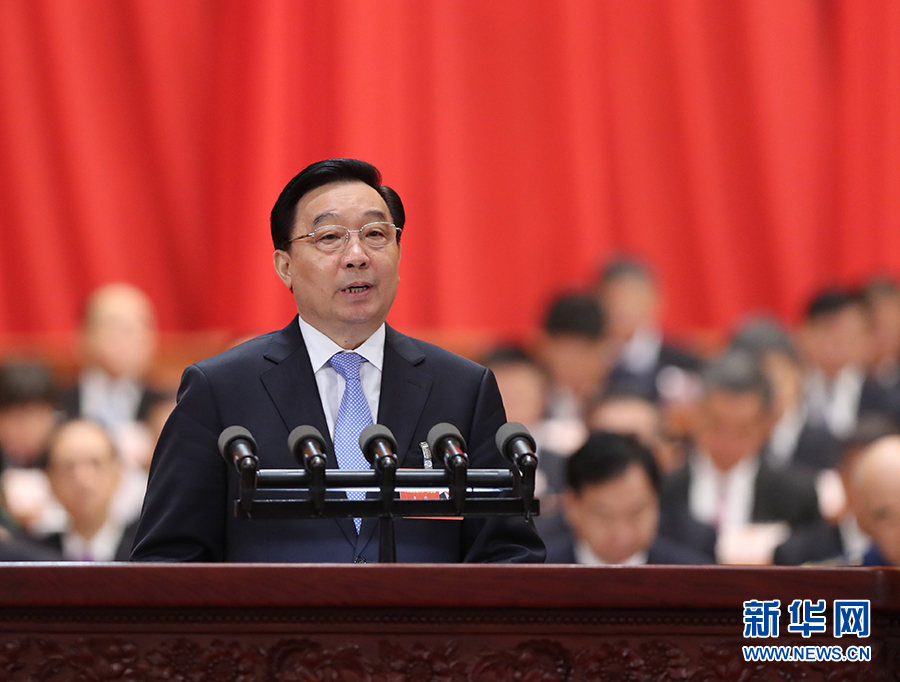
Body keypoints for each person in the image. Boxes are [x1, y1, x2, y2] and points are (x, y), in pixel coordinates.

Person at [132, 158, 545, 563]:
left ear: (399, 254)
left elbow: (507, 554)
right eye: (329, 237)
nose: (357, 255)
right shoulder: (221, 389)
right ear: (285, 267)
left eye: (376, 234)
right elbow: (168, 558)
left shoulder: (463, 388)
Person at [659, 351, 821, 563]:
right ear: (696, 415)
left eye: (743, 430)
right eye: (716, 426)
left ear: (766, 425)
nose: (727, 441)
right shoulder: (664, 491)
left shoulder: (797, 496)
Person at [545, 431, 709, 564]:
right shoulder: (539, 574)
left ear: (656, 501)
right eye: (604, 516)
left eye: (636, 514)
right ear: (571, 506)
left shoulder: (693, 576)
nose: (622, 535)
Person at [39, 419, 138, 561]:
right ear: (50, 480)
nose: (82, 479)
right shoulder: (31, 558)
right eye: (68, 466)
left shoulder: (145, 555)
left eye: (95, 463)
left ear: (118, 473)